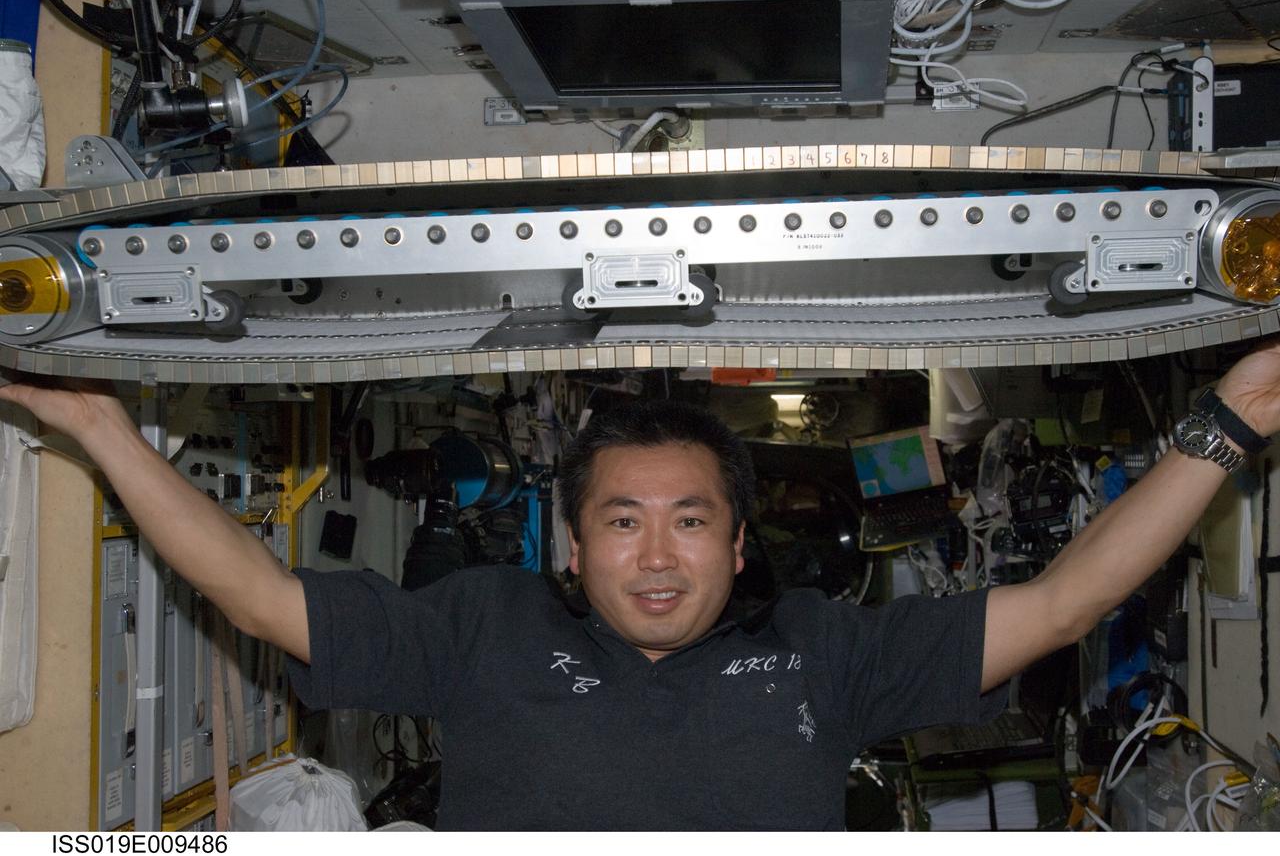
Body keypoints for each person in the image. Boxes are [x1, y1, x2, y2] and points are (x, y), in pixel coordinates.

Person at [3, 341, 1279, 829]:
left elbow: (1064, 600)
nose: (655, 555)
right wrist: (109, 435)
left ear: (738, 546)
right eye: (621, 521)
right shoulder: (476, 630)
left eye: (688, 522)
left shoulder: (830, 652)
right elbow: (260, 595)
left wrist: (1227, 418)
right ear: (569, 546)